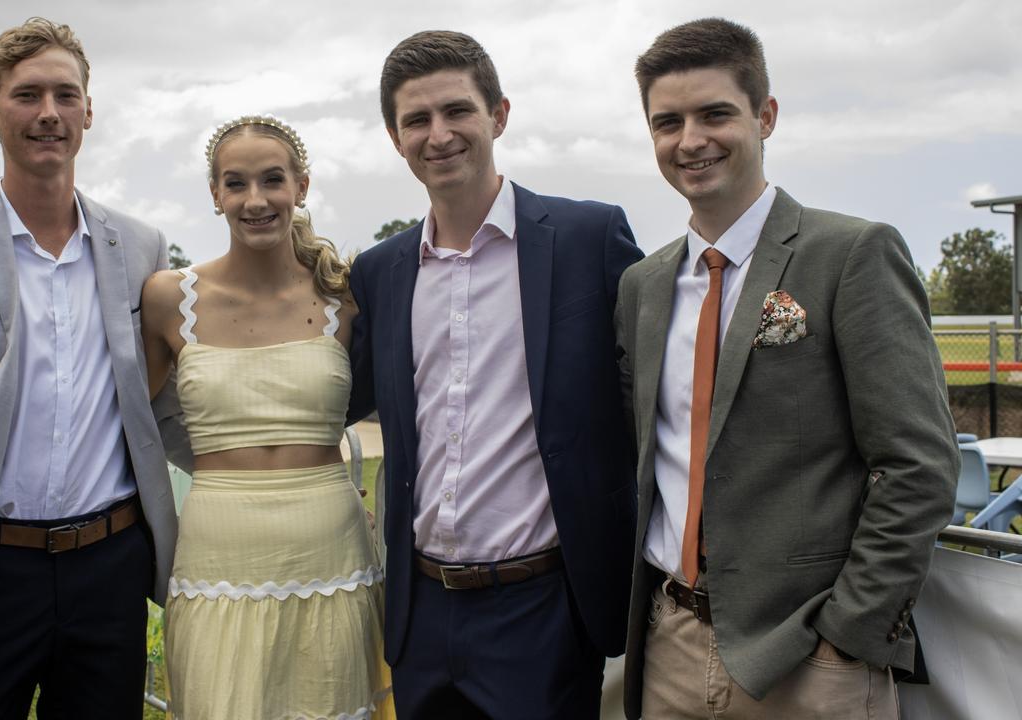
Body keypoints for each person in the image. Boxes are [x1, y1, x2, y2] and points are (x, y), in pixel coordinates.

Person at [615, 17, 960, 719]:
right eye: (667, 122)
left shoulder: (852, 255)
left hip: (807, 659)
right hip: (668, 645)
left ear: (765, 116)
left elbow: (918, 464)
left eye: (716, 113)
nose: (691, 141)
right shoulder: (642, 287)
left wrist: (849, 636)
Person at [0, 17, 191, 718]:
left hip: (111, 571)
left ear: (88, 111)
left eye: (65, 95)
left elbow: (161, 408)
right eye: (26, 96)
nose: (48, 113)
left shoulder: (140, 247)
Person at [347, 30, 643, 718]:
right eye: (416, 120)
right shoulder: (381, 271)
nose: (439, 134)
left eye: (458, 111)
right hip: (420, 612)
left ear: (499, 115)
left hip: (542, 608)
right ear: (395, 138)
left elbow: (653, 387)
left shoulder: (587, 239)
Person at [140, 115, 391, 719]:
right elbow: (138, 427)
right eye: (236, 183)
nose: (255, 200)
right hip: (215, 552)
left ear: (301, 186)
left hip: (330, 548)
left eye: (272, 180)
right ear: (215, 194)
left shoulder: (349, 296)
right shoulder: (166, 298)